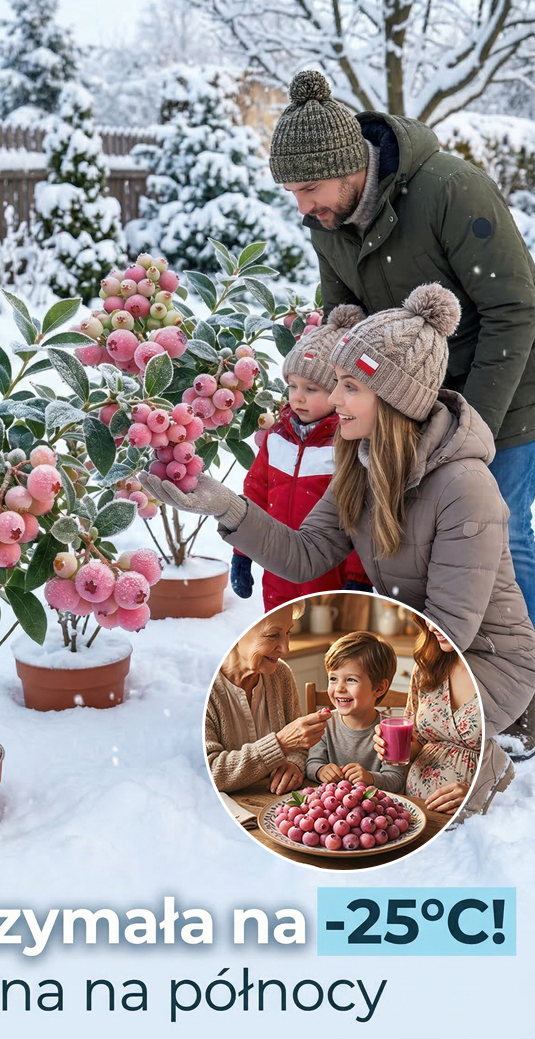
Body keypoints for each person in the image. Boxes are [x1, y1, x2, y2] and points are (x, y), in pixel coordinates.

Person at [142, 282, 535, 813]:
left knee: (379, 761)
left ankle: (480, 764)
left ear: (393, 399)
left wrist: (358, 696)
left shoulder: (464, 488)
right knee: (316, 725)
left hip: (481, 660)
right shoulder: (361, 462)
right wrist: (223, 506)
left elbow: (451, 631)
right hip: (414, 651)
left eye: (350, 387)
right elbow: (305, 553)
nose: (333, 400)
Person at [268, 69, 535, 754]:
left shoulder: (449, 189)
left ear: (348, 168)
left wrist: (462, 429)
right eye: (293, 193)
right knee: (422, 550)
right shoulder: (330, 221)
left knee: (498, 545)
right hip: (404, 409)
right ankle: (438, 689)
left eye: (308, 190)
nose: (302, 207)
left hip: (500, 395)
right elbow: (342, 315)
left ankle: (521, 697)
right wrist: (318, 389)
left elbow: (515, 309)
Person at [232, 306, 372, 608]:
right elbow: (256, 491)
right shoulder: (277, 436)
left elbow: (363, 515)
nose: (297, 396)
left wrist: (359, 578)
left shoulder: (348, 445)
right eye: (293, 386)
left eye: (311, 389)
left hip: (329, 577)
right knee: (281, 635)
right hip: (278, 569)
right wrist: (242, 551)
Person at [206, 603, 331, 794]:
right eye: (273, 635)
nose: (286, 648)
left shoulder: (280, 674)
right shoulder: (206, 687)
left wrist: (294, 765)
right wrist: (281, 743)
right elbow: (211, 772)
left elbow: (299, 748)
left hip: (272, 803)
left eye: (288, 632)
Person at [374, 617, 482, 816]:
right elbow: (418, 742)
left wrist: (480, 796)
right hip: (415, 810)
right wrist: (393, 746)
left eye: (442, 616)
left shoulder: (508, 675)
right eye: (427, 618)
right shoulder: (426, 667)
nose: (432, 626)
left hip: (476, 820)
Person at [304, 631, 404, 793]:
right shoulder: (324, 724)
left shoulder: (389, 731)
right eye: (333, 678)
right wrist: (320, 770)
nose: (339, 688)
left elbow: (396, 780)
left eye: (351, 680)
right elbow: (311, 764)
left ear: (379, 688)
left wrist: (369, 778)